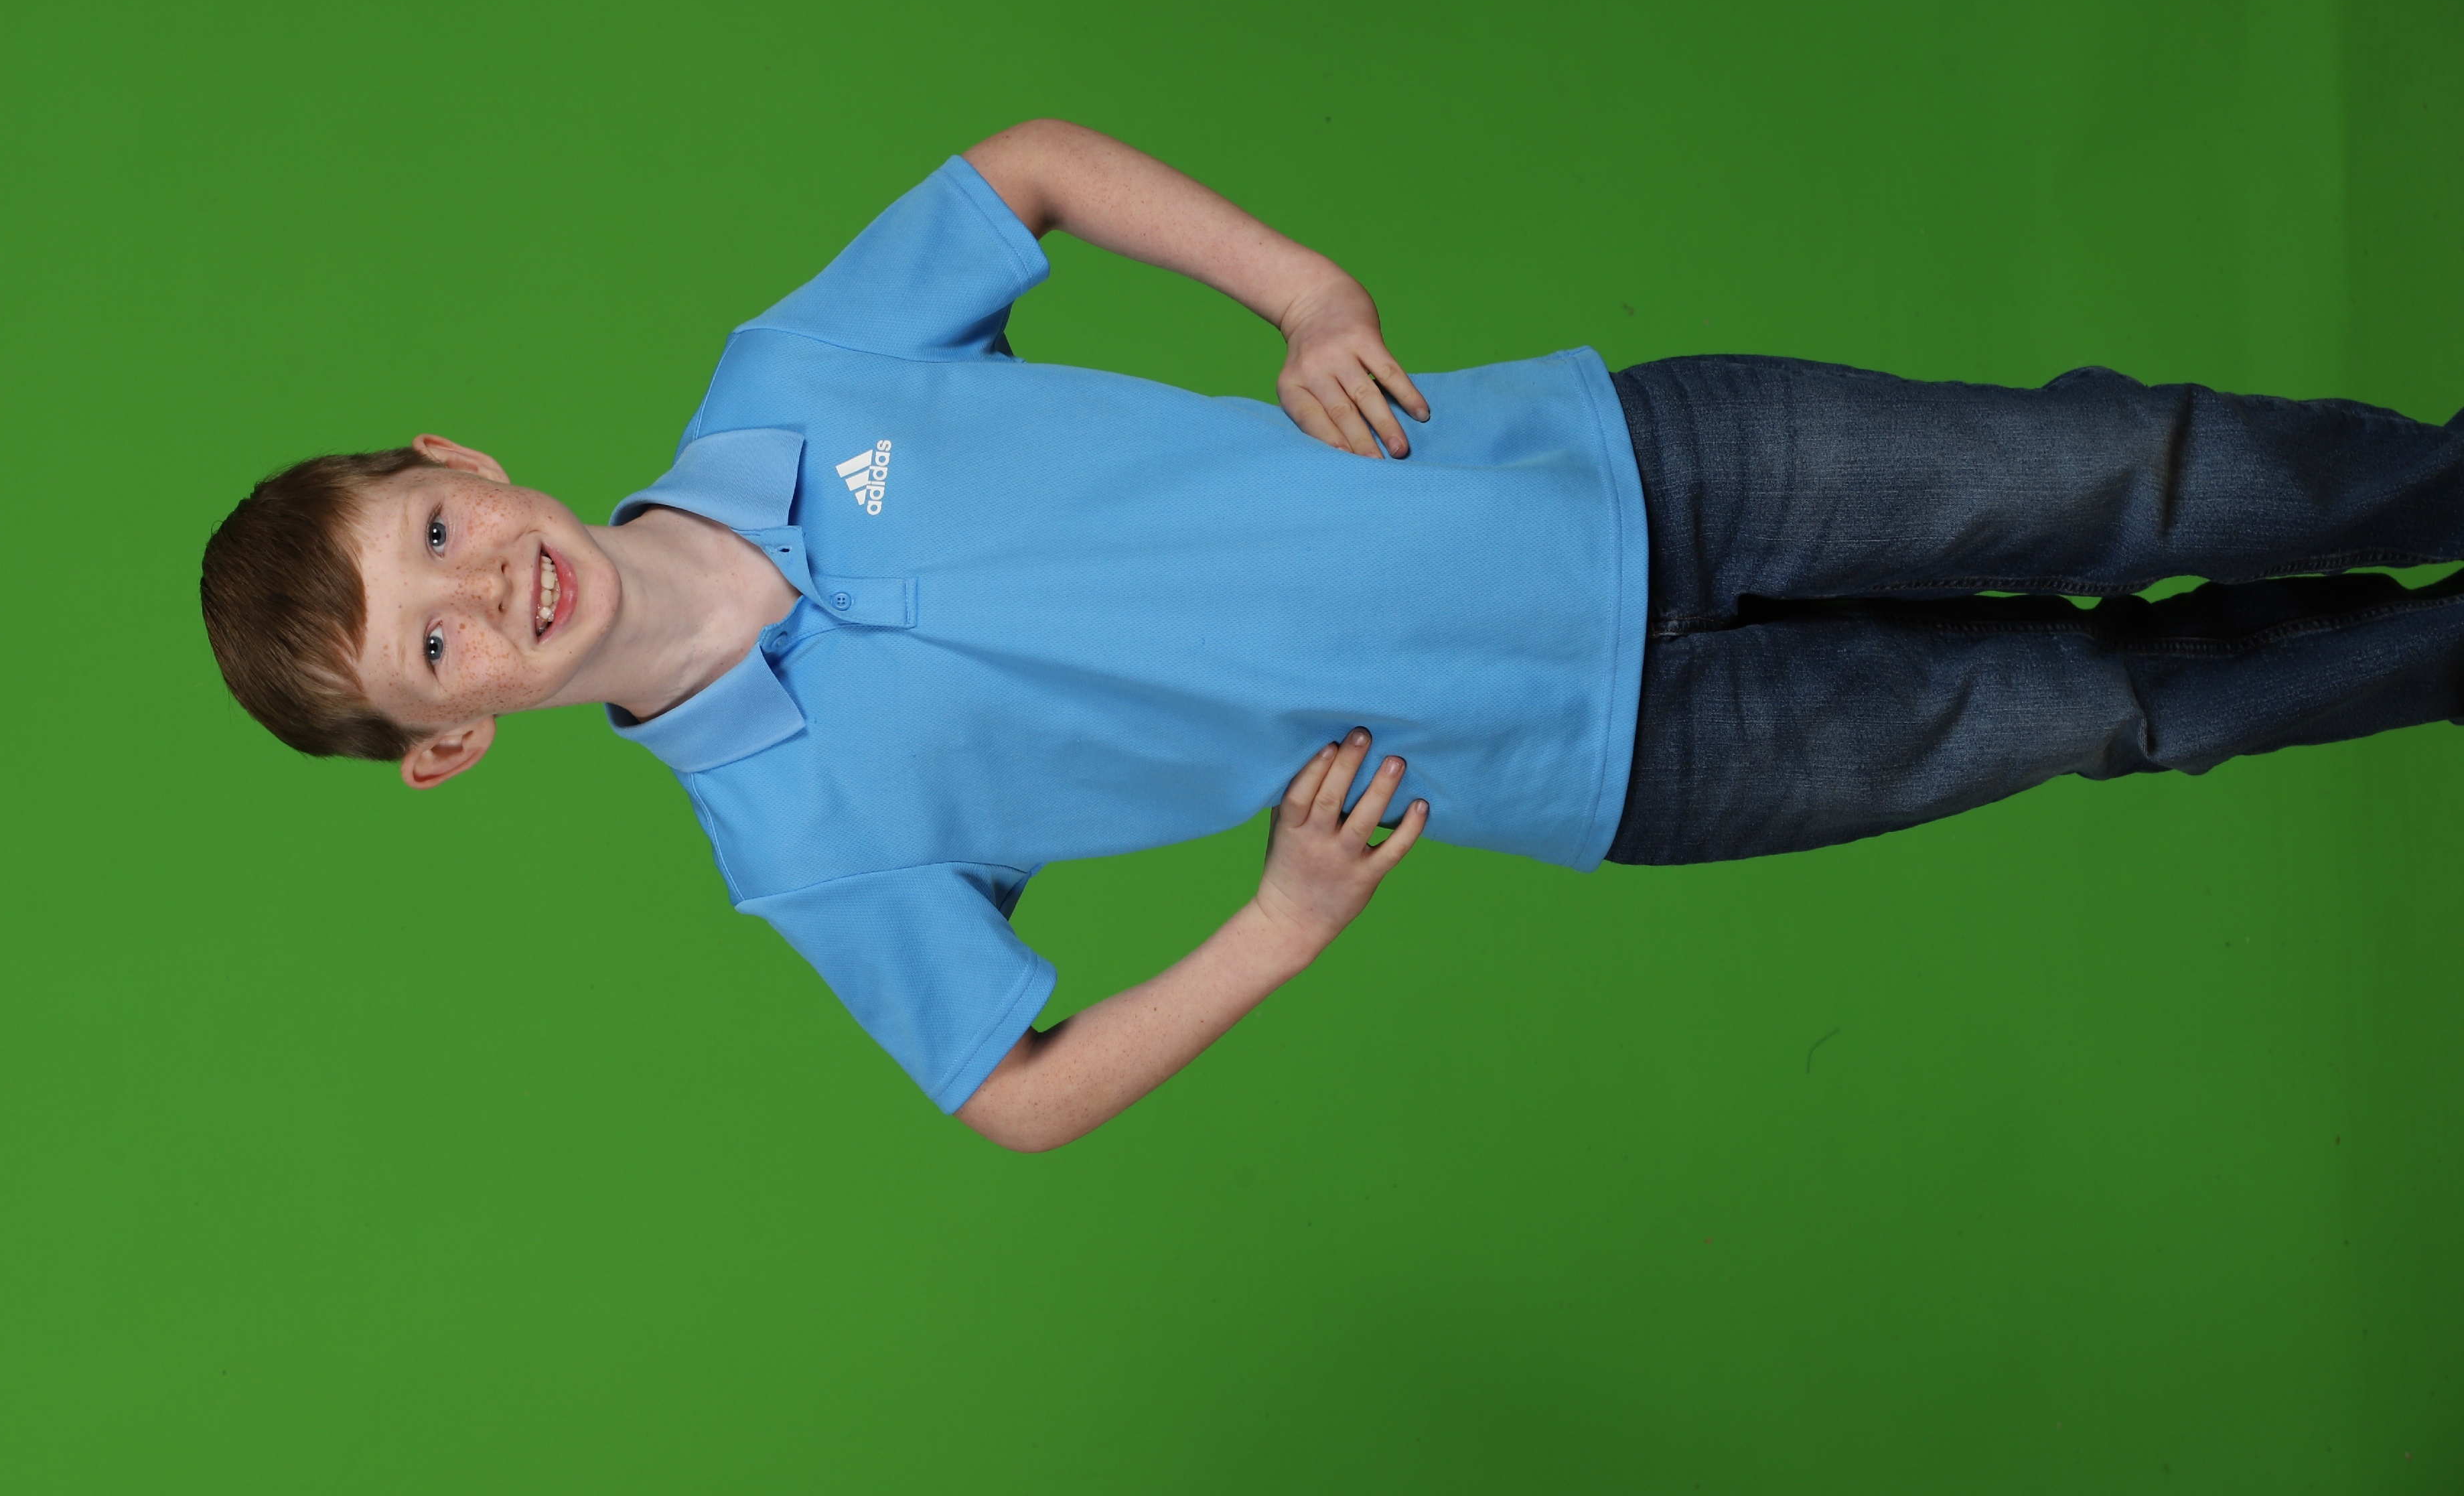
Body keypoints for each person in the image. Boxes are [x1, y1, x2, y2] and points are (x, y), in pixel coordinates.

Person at [200, 121, 2464, 1150]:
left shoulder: (793, 379)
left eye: (436, 533)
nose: (481, 590)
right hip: (1611, 762)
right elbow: (1014, 1100)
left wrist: (1306, 296)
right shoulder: (797, 846)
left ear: (459, 456)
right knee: (2108, 704)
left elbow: (1029, 167)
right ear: (450, 743)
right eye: (432, 650)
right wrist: (1274, 932)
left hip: (1618, 463)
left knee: (2133, 470)